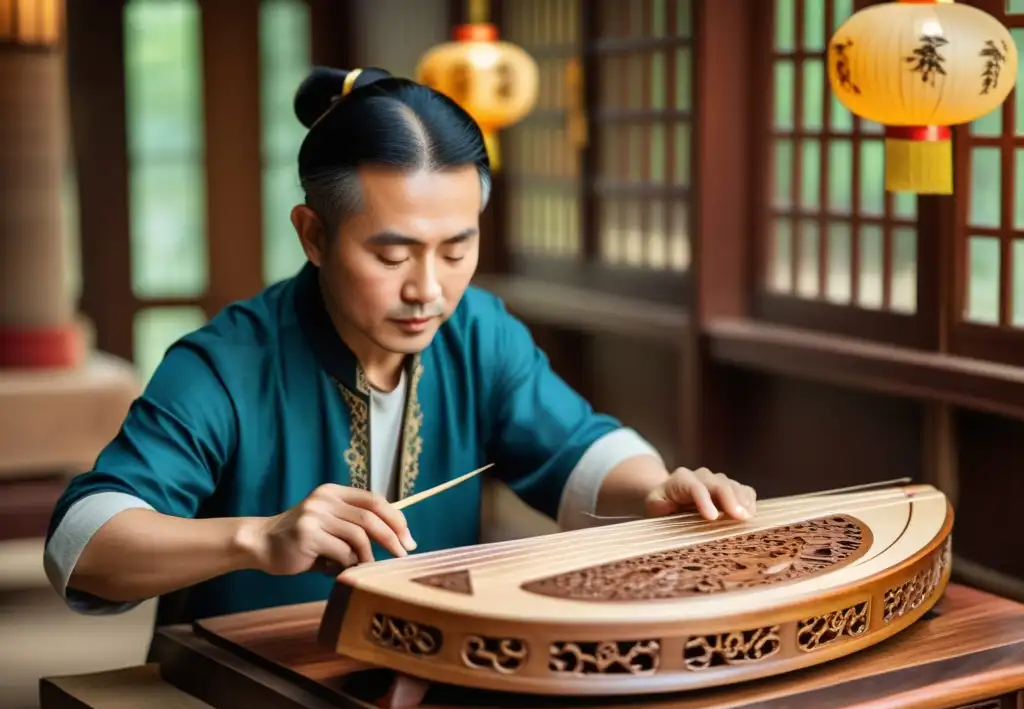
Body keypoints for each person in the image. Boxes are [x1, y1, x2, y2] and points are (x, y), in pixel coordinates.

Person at [43, 66, 758, 634]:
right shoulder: (226, 364)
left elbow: (580, 448)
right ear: (314, 235)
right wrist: (257, 539)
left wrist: (654, 490)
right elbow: (82, 543)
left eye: (457, 248)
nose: (429, 290)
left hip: (433, 665)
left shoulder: (477, 330)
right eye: (392, 255)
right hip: (246, 682)